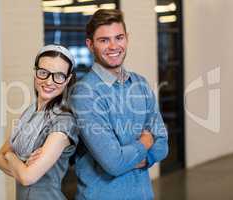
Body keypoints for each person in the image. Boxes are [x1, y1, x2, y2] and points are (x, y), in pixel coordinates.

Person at [70, 9, 169, 200]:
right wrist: (144, 143)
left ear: (127, 39)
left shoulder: (140, 84)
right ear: (90, 45)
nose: (113, 46)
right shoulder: (84, 93)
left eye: (119, 37)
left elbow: (162, 145)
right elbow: (113, 163)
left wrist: (142, 155)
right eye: (104, 40)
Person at [0, 44, 78, 200]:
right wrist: (21, 164)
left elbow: (27, 178)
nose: (49, 81)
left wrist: (11, 156)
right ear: (35, 73)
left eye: (59, 76)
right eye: (43, 72)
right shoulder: (30, 112)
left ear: (67, 80)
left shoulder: (64, 122)